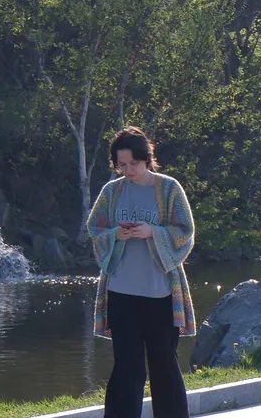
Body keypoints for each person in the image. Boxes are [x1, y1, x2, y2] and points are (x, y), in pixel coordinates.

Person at [87, 126, 196, 418]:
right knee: (127, 366)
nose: (127, 169)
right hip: (121, 292)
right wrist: (115, 236)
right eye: (121, 165)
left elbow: (185, 231)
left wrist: (152, 232)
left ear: (146, 159)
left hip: (160, 292)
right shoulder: (112, 191)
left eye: (132, 163)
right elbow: (94, 228)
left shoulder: (169, 188)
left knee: (164, 364)